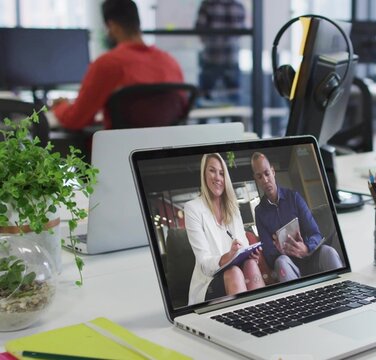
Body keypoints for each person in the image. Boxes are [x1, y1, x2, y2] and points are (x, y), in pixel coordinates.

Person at [51, 0, 184, 130]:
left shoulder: (108, 64)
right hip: (166, 149)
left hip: (117, 150)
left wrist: (60, 106)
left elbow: (75, 119)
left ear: (112, 26)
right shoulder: (170, 61)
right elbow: (181, 110)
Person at [184, 153, 264, 305]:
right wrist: (228, 256)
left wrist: (250, 254)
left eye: (221, 173)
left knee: (251, 264)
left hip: (238, 272)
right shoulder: (192, 208)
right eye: (212, 171)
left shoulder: (233, 209)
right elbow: (204, 264)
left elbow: (244, 245)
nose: (218, 178)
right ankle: (244, 322)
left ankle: (263, 317)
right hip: (208, 282)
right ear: (204, 173)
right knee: (233, 272)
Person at [251, 152, 343, 282]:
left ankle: (343, 290)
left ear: (273, 171)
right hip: (288, 264)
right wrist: (281, 251)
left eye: (267, 173)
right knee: (281, 262)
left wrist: (306, 248)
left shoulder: (294, 197)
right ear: (256, 179)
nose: (265, 180)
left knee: (328, 251)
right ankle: (298, 301)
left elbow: (315, 233)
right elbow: (269, 254)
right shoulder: (260, 212)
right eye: (260, 176)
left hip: (310, 257)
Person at [195, 0, 245, 104]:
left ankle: (205, 119)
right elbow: (242, 31)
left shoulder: (208, 4)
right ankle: (235, 119)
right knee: (234, 99)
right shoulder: (237, 5)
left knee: (205, 98)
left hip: (211, 56)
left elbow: (199, 29)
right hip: (231, 56)